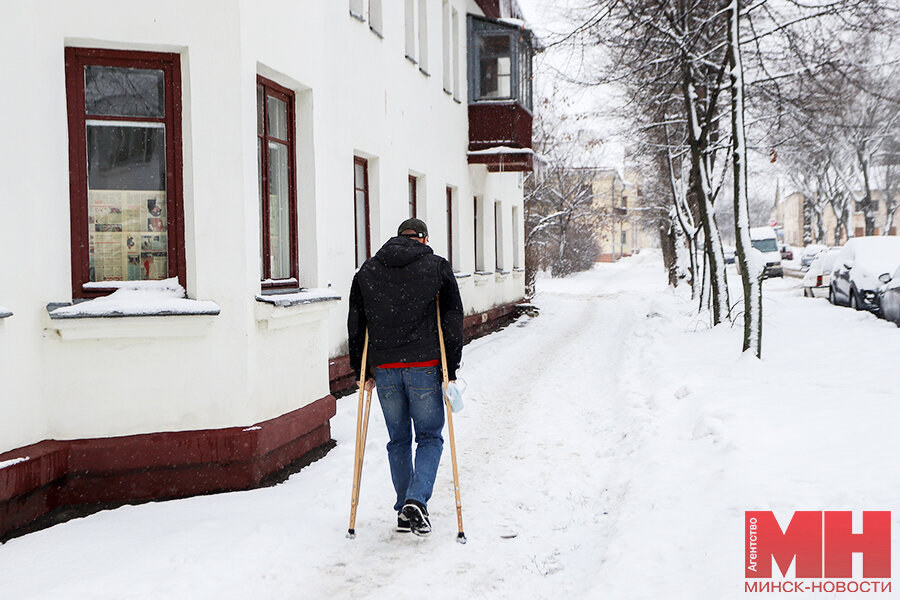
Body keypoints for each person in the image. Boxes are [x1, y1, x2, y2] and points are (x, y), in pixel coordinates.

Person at [347, 218, 464, 536]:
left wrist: (360, 367)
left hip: (385, 368)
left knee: (398, 439)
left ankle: (404, 509)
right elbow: (452, 317)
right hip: (424, 365)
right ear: (424, 240)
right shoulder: (436, 266)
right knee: (429, 437)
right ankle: (416, 500)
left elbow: (356, 322)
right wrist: (451, 368)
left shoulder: (369, 270)